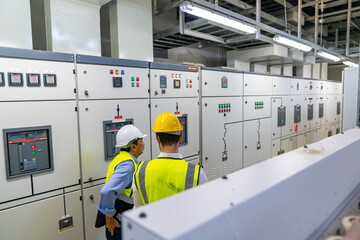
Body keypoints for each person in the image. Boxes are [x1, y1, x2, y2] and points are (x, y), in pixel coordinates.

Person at [132, 112, 207, 207]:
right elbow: (205, 209)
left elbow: (138, 210)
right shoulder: (197, 173)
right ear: (180, 137)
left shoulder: (140, 171)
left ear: (157, 138)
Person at [96, 125, 146, 239]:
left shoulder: (121, 158)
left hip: (121, 217)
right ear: (133, 146)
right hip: (118, 223)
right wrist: (109, 219)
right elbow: (106, 191)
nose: (144, 144)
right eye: (141, 141)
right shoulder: (127, 165)